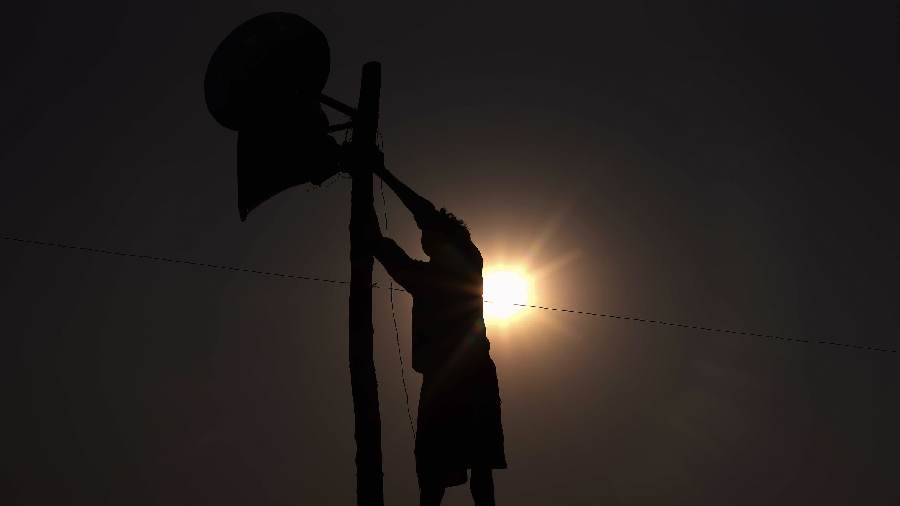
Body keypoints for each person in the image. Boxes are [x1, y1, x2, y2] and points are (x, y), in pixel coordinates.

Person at [362, 153, 506, 506]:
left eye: (429, 235)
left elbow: (423, 214)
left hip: (468, 375)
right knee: (435, 470)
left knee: (475, 464)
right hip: (446, 378)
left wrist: (382, 173)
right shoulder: (426, 277)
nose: (424, 239)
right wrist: (369, 229)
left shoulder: (468, 264)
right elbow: (389, 253)